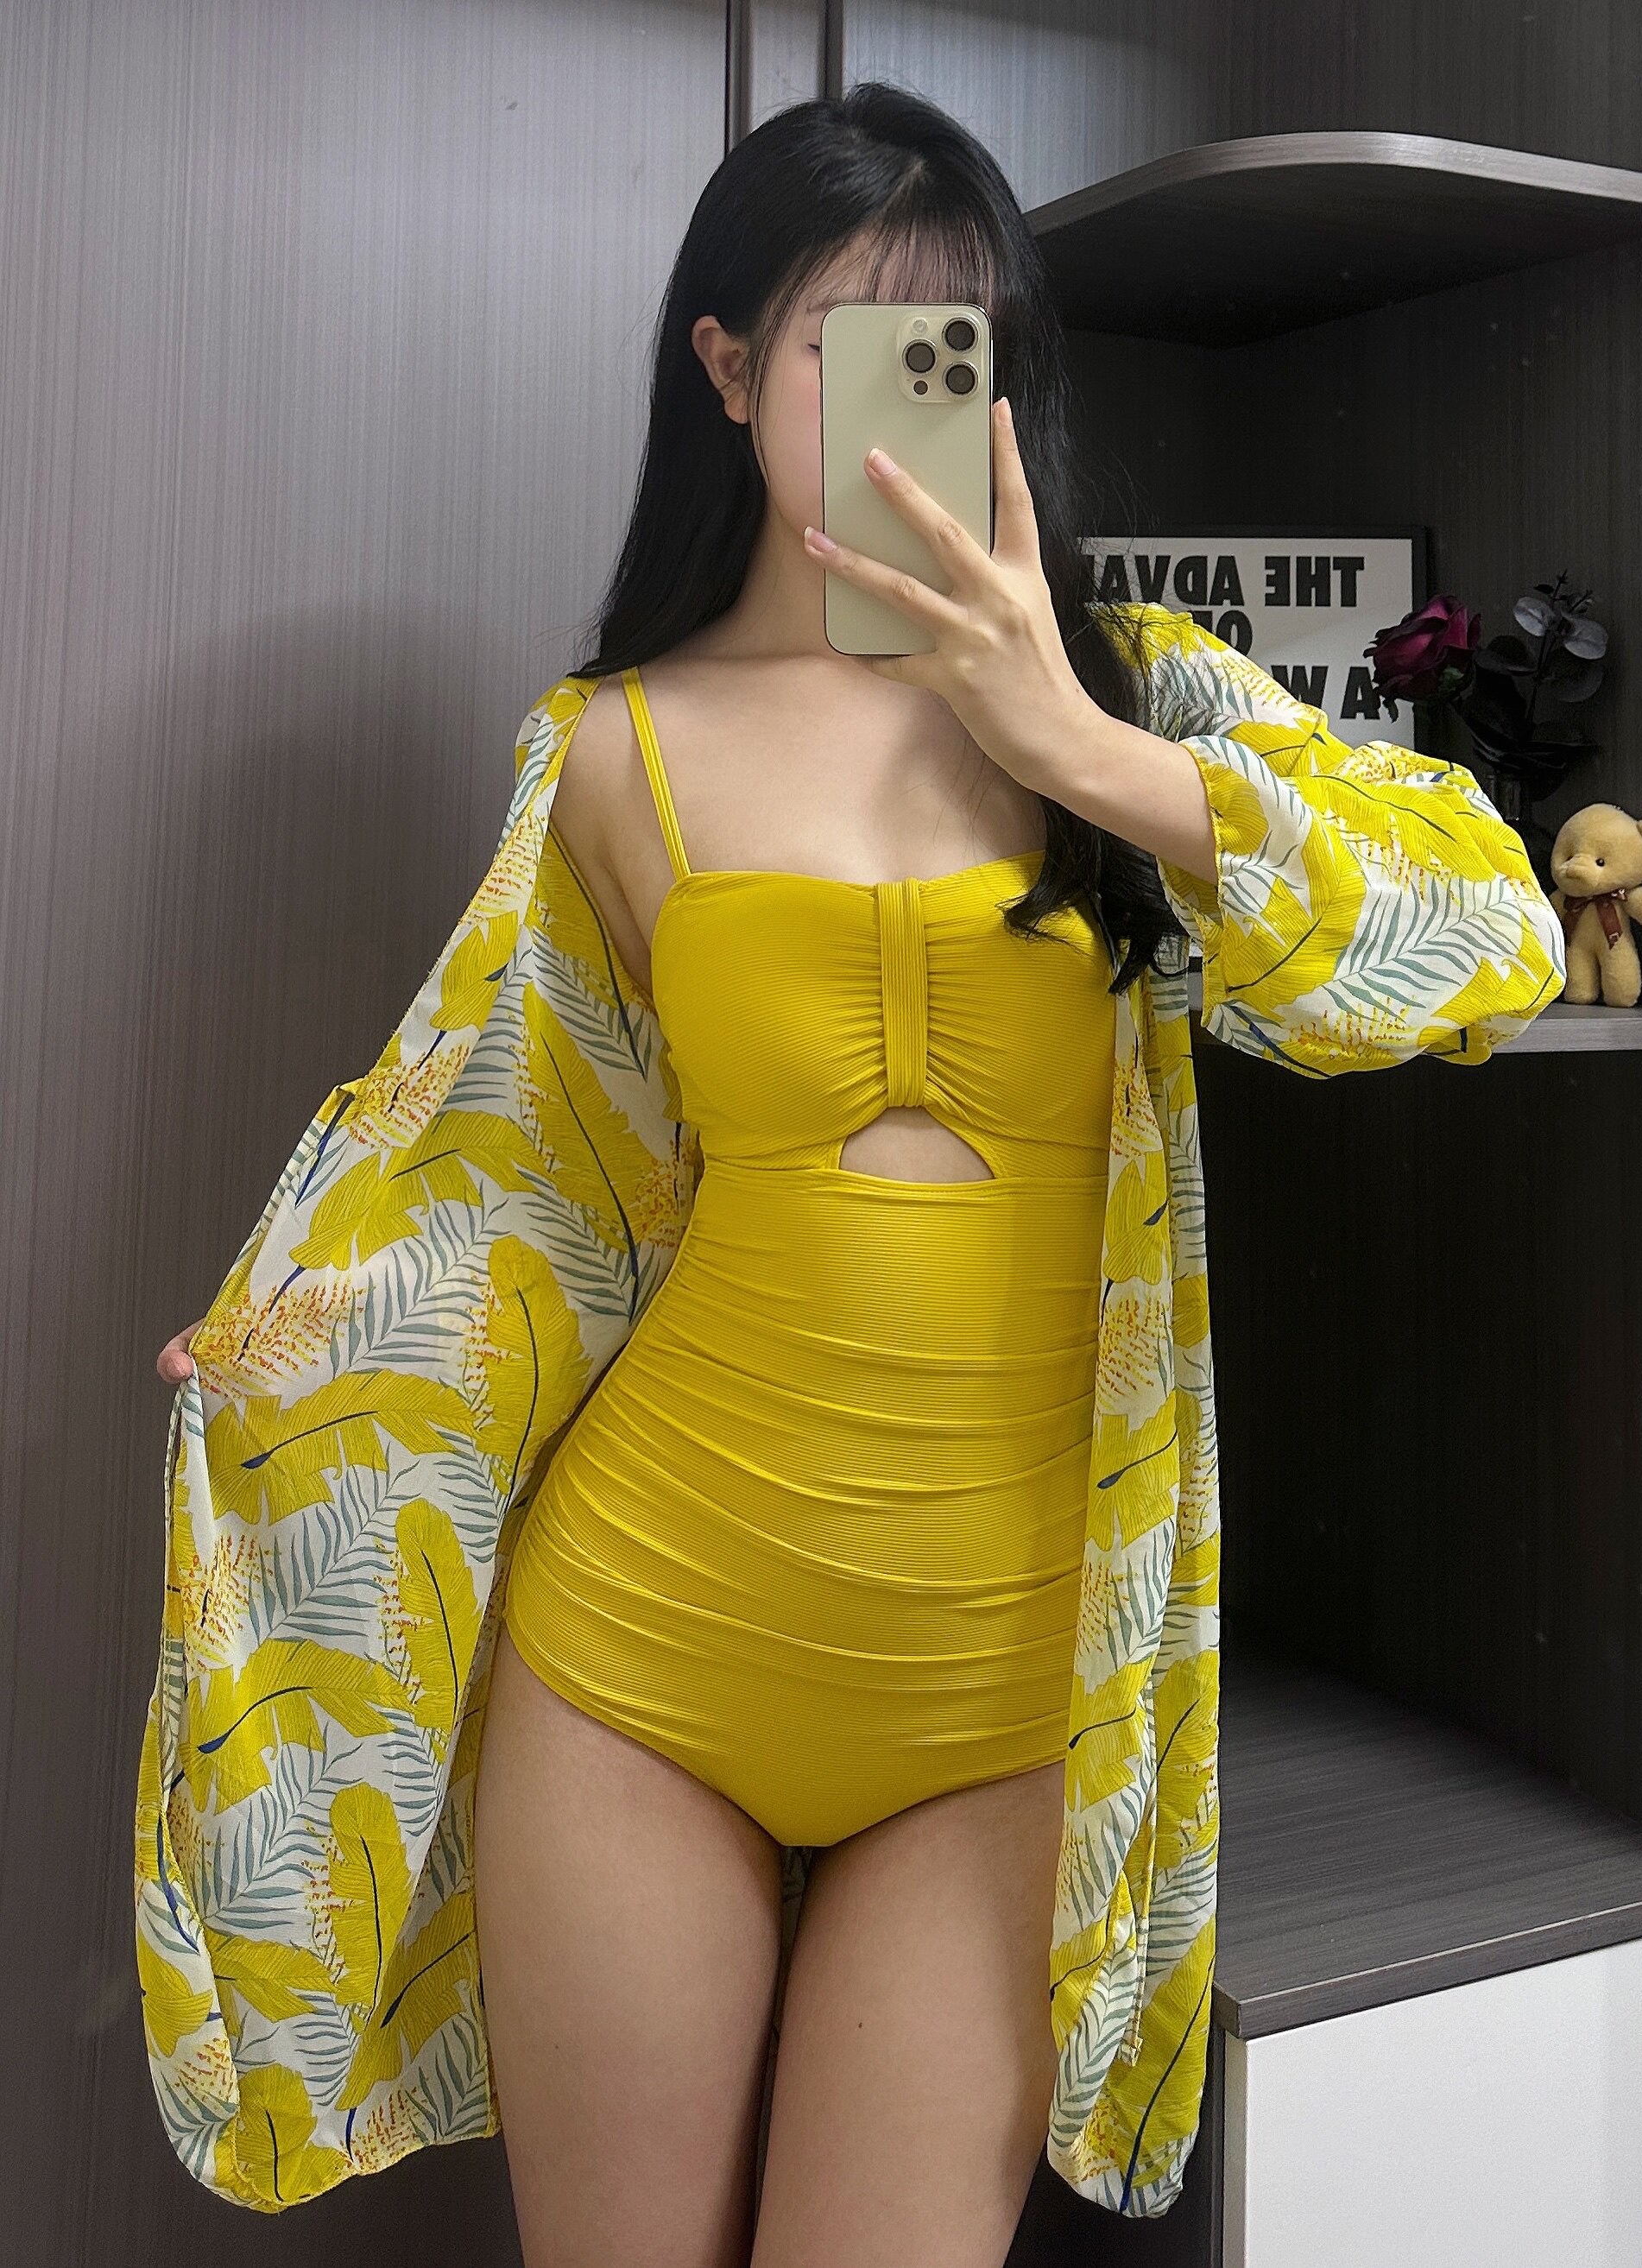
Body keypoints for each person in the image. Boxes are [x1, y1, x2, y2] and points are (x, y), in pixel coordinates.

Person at [153, 81, 1565, 2268]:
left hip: (1000, 1707)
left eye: (957, 347)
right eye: (852, 348)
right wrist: (292, 1345)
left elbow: (1488, 935)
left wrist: (1075, 746)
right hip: (643, 1654)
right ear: (729, 373)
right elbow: (501, 1168)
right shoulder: (610, 749)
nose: (919, 405)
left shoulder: (1135, 702)